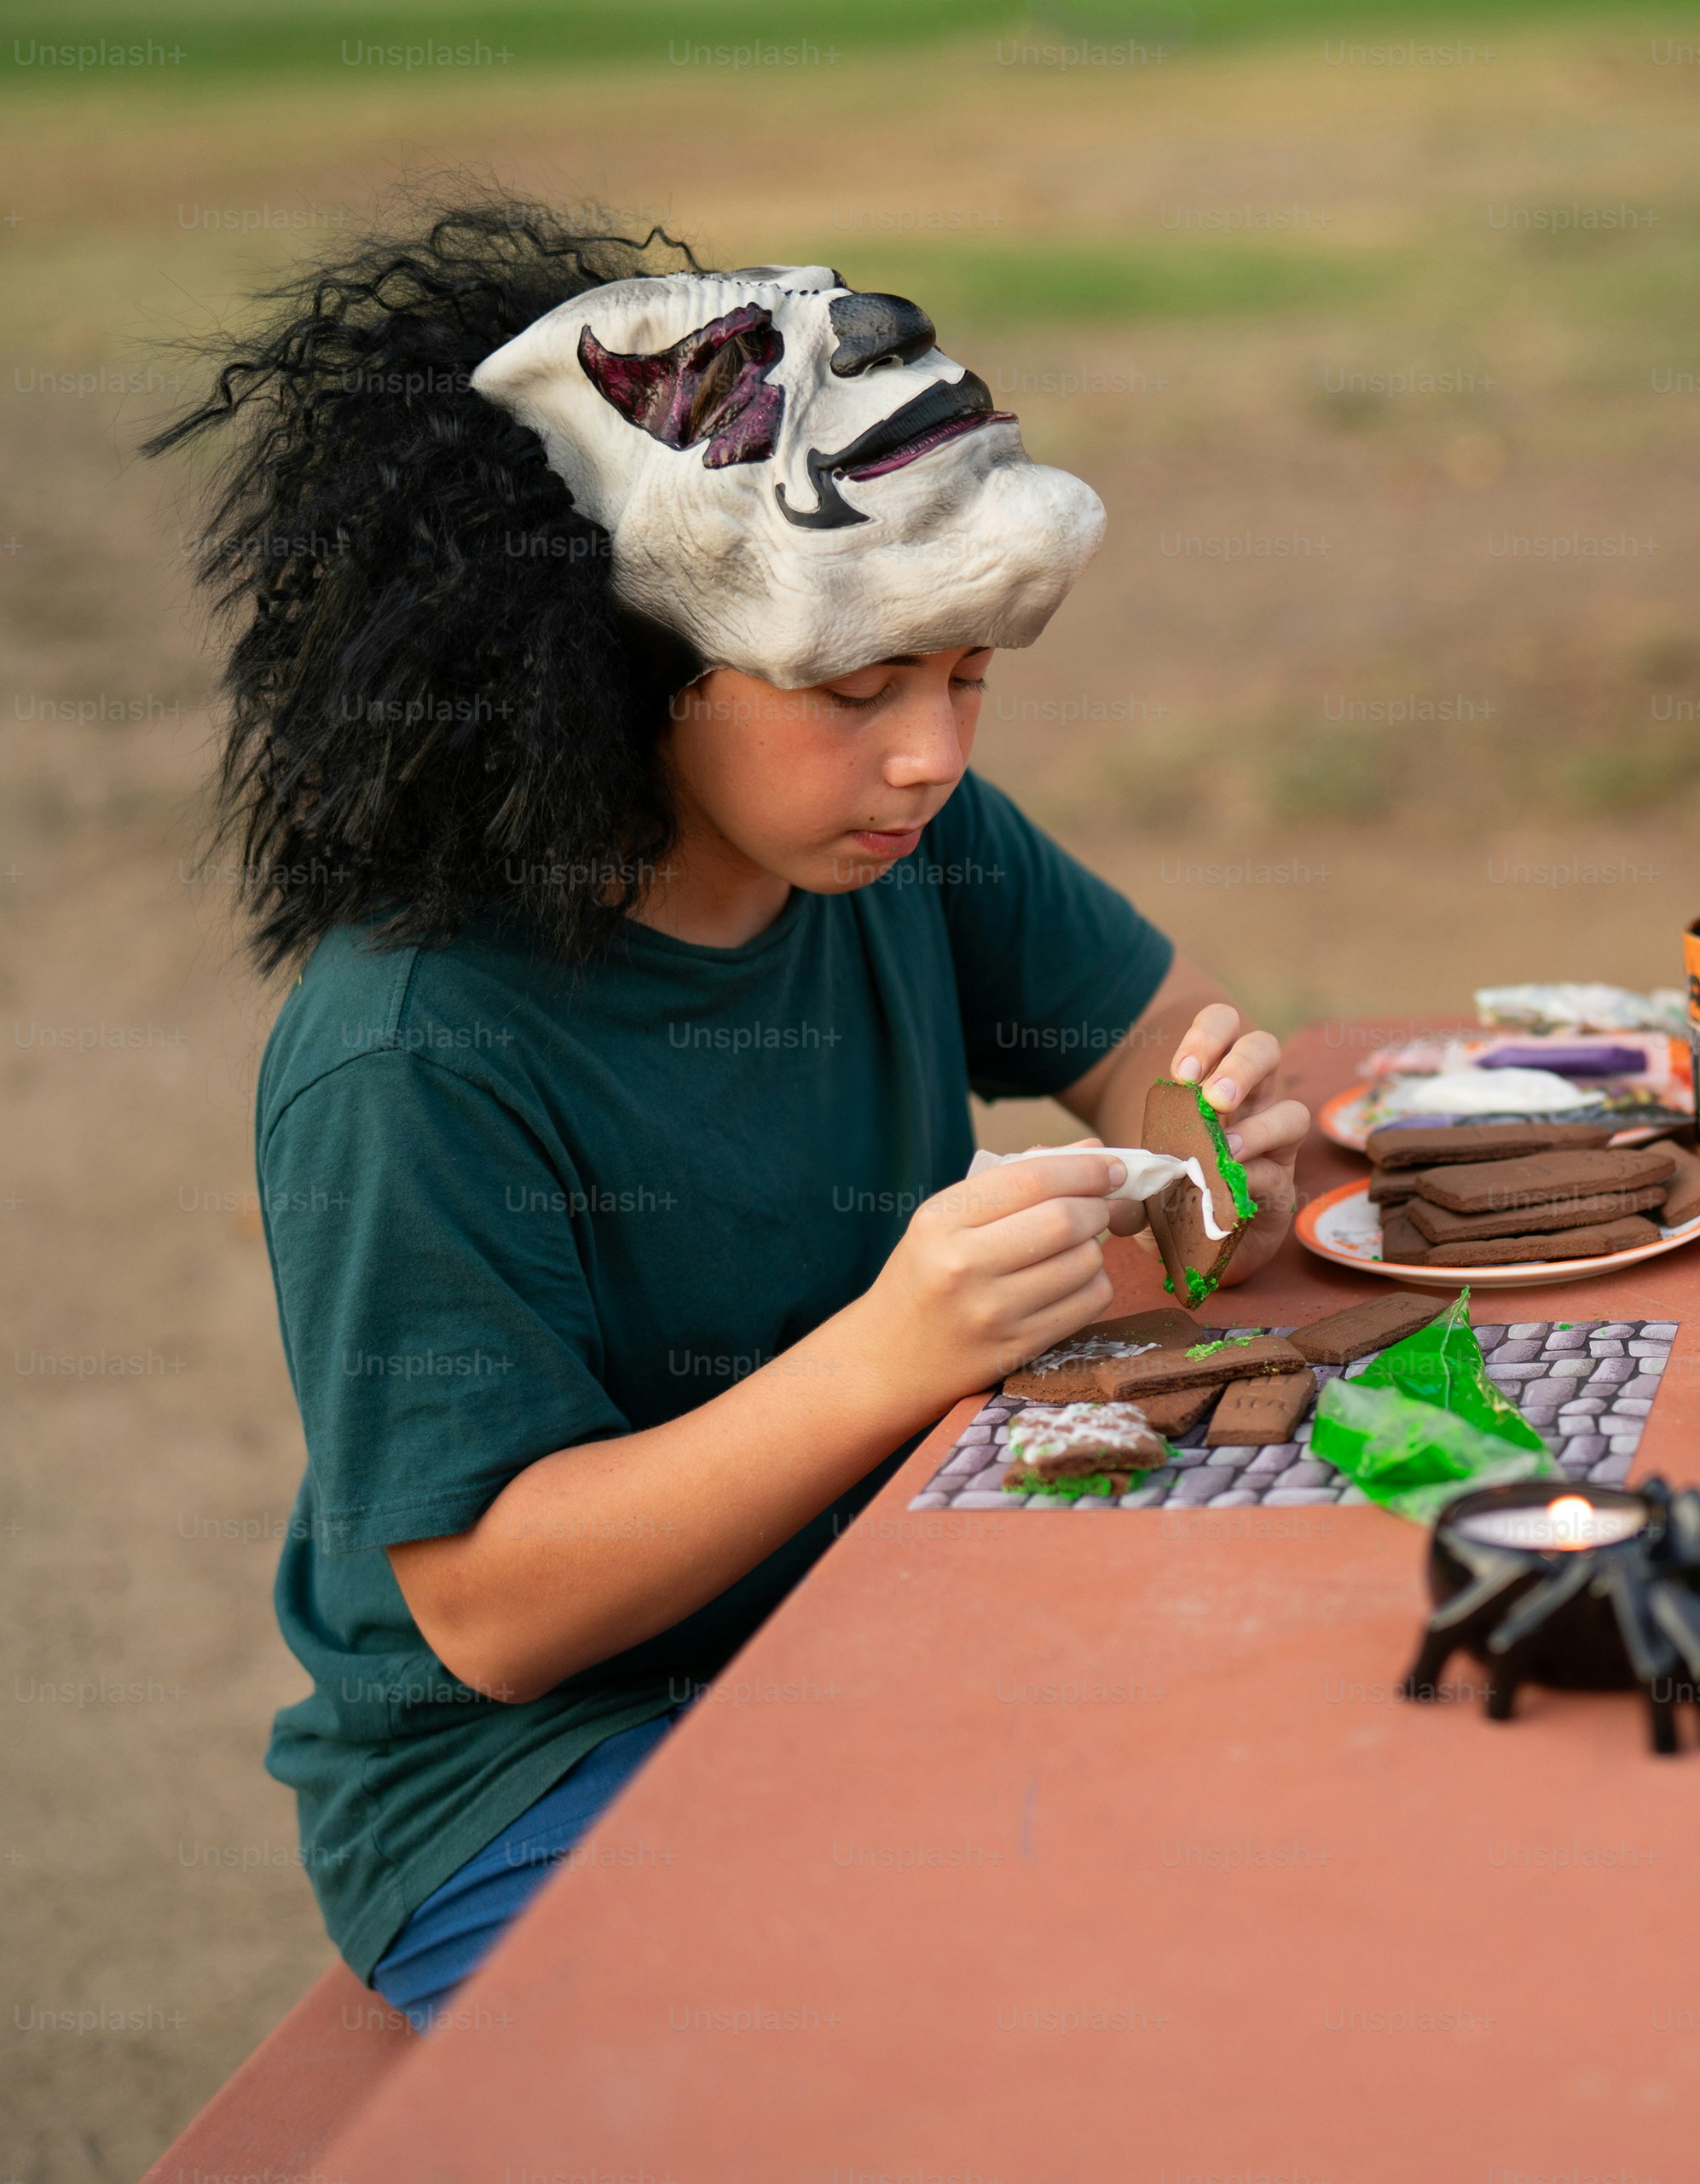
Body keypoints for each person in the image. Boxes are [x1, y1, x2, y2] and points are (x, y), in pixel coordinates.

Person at [148, 199, 1308, 2030]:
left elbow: (1154, 1046)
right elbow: (493, 1611)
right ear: (619, 677)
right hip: (522, 1787)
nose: (931, 754)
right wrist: (893, 1356)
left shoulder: (901, 847)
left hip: (867, 1630)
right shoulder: (413, 1050)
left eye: (965, 679)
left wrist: (1211, 1127)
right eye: (858, 689)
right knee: (961, 2031)